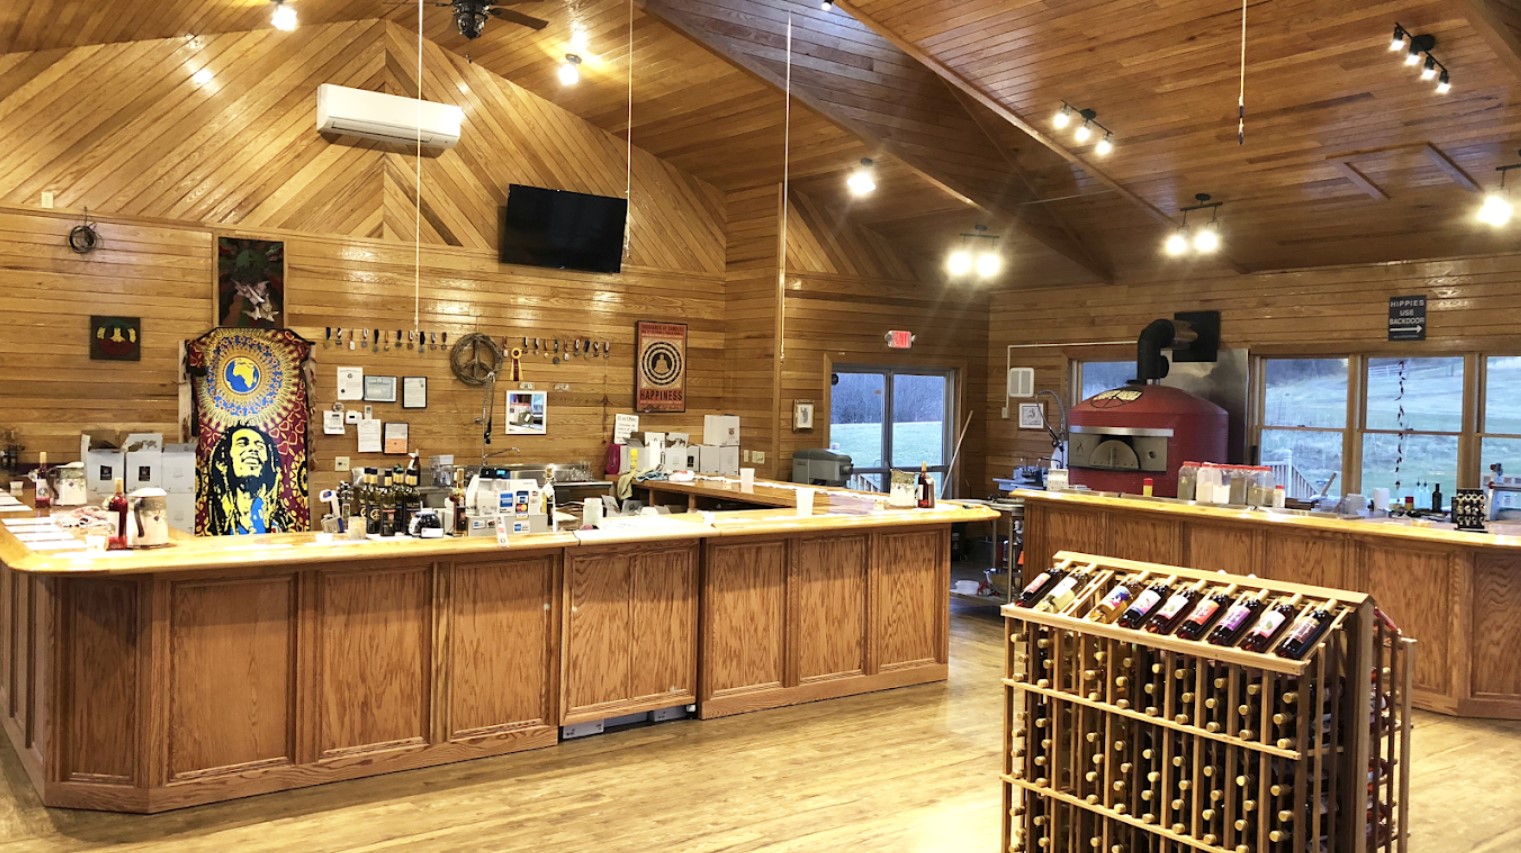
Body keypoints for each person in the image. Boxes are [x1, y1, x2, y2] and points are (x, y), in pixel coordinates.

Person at [205, 423, 296, 535]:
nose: (253, 449)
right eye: (243, 443)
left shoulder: (280, 521)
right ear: (223, 462)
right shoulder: (216, 516)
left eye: (260, 446)